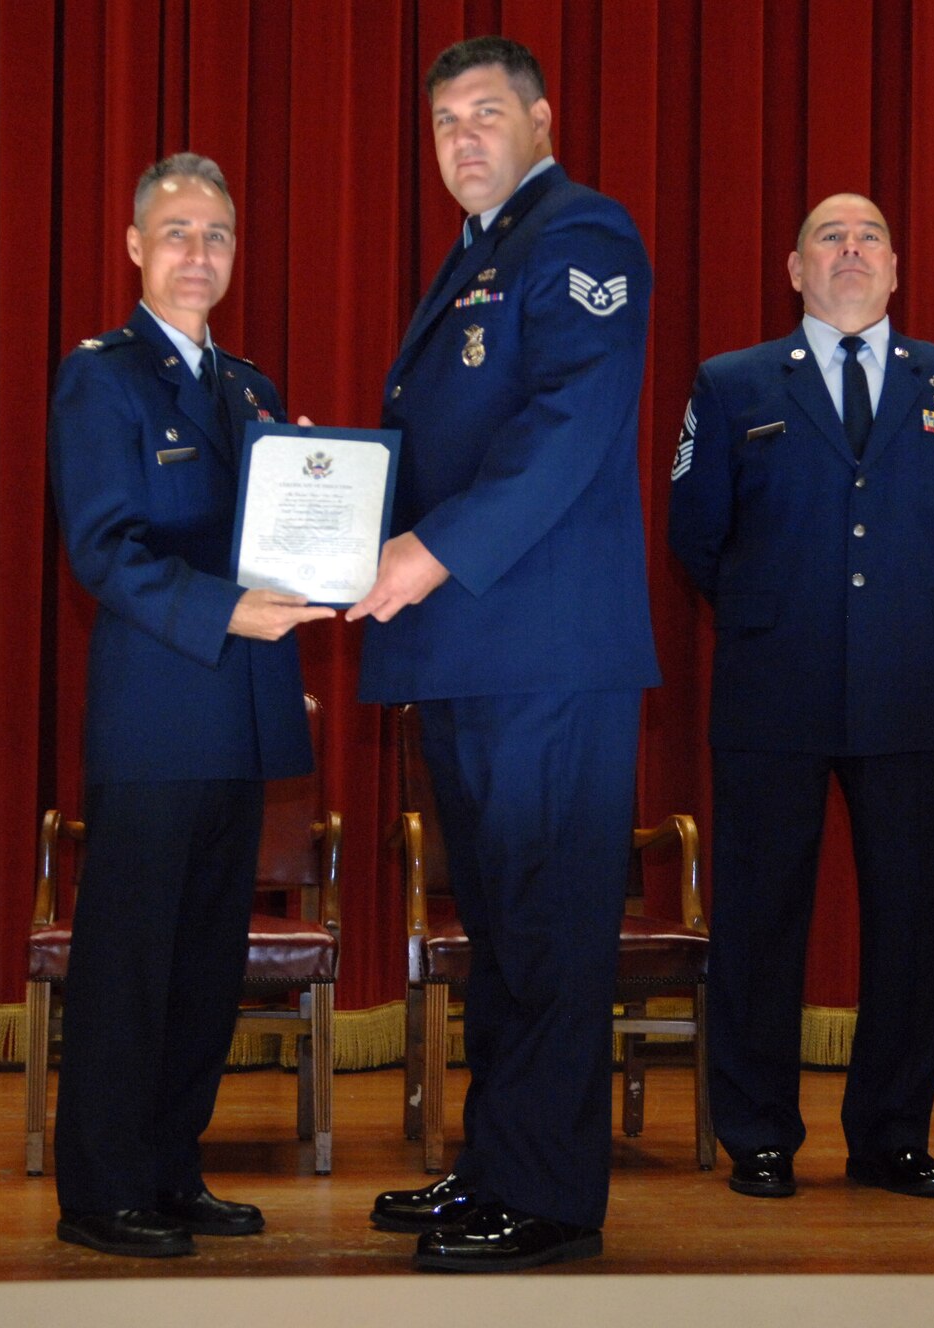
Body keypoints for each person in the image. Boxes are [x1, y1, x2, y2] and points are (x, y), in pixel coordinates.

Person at [346, 35, 658, 1272]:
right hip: (472, 650)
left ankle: (545, 1193)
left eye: (484, 113)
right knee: (499, 927)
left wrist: (424, 550)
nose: (460, 138)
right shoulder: (478, 252)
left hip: (543, 651)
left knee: (546, 925)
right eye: (442, 123)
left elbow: (566, 425)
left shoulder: (579, 234)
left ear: (540, 119)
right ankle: (495, 1159)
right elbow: (441, 443)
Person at [667, 193, 934, 1202]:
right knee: (760, 918)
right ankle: (759, 1133)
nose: (850, 249)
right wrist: (780, 608)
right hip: (773, 679)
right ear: (794, 268)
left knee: (907, 923)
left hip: (908, 682)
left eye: (869, 237)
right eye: (829, 236)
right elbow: (697, 531)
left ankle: (891, 1135)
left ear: (895, 268)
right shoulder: (731, 383)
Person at [45, 154, 333, 1257]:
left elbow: (277, 537)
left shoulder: (250, 388)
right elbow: (104, 550)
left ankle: (172, 1169)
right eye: (176, 233)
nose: (197, 254)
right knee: (130, 964)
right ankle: (102, 1189)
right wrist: (230, 610)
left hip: (242, 715)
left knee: (206, 965)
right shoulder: (102, 379)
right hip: (157, 716)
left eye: (215, 235)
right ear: (134, 247)